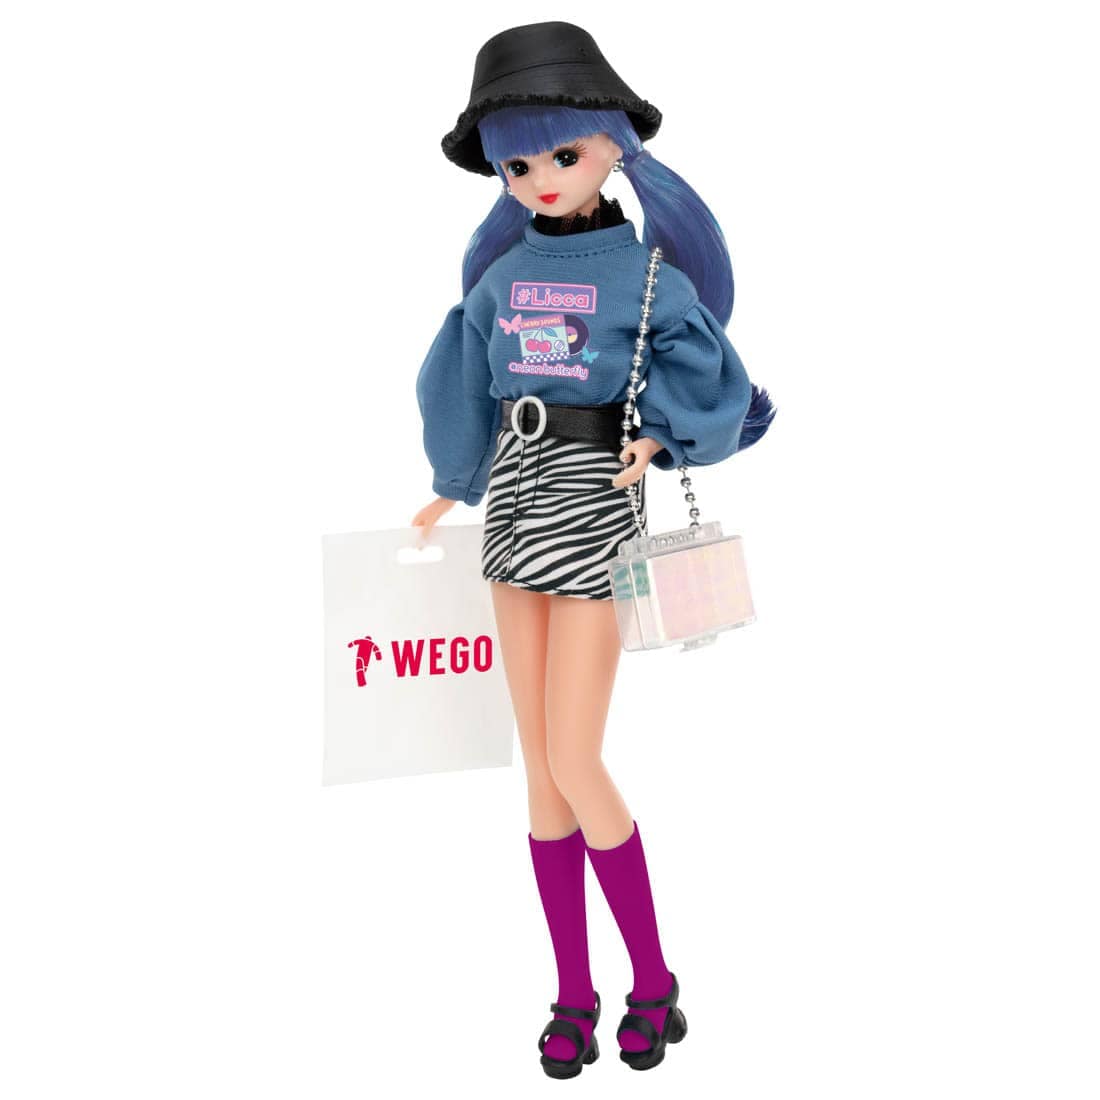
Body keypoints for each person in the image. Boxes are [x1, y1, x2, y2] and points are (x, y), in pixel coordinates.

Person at [411, 21, 774, 1079]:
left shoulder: (647, 276)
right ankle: (573, 989)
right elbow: (465, 378)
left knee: (576, 756)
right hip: (513, 505)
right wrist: (449, 485)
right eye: (517, 165)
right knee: (539, 773)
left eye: (561, 155)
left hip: (592, 506)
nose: (540, 179)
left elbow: (703, 377)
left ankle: (652, 980)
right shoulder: (500, 273)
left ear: (613, 145)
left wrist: (659, 434)